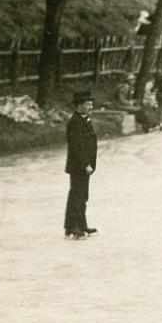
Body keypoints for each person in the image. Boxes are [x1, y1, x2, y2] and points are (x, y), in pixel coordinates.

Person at [64, 90, 98, 239]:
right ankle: (73, 227)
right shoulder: (75, 122)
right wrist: (86, 164)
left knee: (82, 195)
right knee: (77, 196)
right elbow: (77, 146)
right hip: (79, 166)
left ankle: (81, 224)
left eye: (91, 103)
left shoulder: (84, 119)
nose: (91, 106)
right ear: (79, 106)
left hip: (85, 166)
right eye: (87, 104)